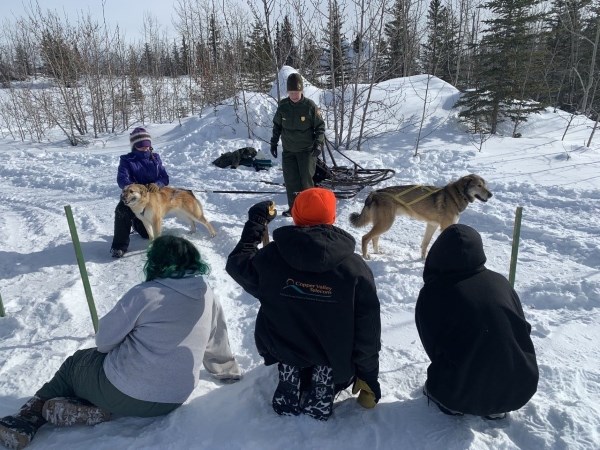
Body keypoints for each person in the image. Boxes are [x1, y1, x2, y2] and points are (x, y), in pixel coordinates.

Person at [0, 235, 241, 449]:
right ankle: (88, 406)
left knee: (77, 363)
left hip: (124, 394)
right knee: (101, 372)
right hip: (174, 398)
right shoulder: (207, 294)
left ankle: (29, 417)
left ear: (155, 262)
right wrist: (226, 370)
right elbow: (215, 337)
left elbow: (104, 342)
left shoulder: (145, 294)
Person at [225, 187, 381, 421]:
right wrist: (368, 376)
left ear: (296, 216)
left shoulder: (270, 258)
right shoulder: (355, 269)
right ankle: (325, 375)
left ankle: (293, 368)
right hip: (334, 355)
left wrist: (257, 222)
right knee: (334, 340)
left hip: (283, 346)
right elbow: (368, 329)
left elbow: (238, 263)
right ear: (333, 218)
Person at [415, 224, 539, 420]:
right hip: (520, 386)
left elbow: (432, 343)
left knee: (445, 374)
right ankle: (496, 405)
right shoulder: (499, 281)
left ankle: (454, 402)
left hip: (460, 392)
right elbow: (522, 328)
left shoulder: (434, 292)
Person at [270, 72, 326, 217]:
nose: (294, 95)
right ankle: (293, 208)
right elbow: (277, 126)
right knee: (291, 181)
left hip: (306, 151)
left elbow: (320, 127)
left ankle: (308, 209)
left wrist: (318, 144)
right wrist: (274, 143)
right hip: (288, 151)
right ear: (288, 92)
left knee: (306, 181)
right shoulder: (283, 106)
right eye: (291, 92)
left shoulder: (310, 106)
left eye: (297, 92)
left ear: (301, 91)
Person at [110, 127, 170, 258]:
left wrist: (158, 184)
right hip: (134, 195)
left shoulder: (156, 158)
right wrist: (136, 186)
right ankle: (119, 246)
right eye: (141, 146)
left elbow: (164, 177)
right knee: (122, 211)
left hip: (152, 197)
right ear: (134, 146)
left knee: (145, 234)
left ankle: (137, 223)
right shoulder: (127, 160)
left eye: (147, 146)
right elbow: (122, 179)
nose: (145, 149)